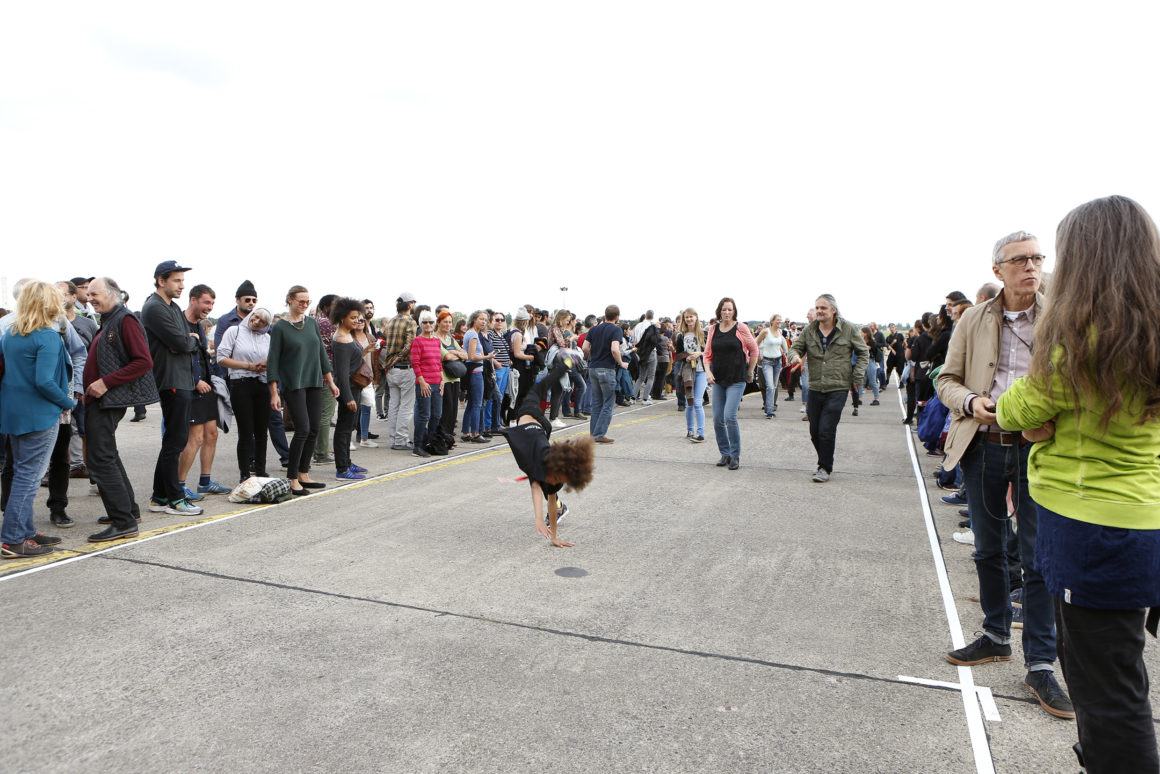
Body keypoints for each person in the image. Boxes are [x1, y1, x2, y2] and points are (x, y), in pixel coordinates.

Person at [996, 196, 1160, 769]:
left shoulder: (1080, 343)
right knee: (1121, 669)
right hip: (1146, 516)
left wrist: (1042, 423)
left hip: (1092, 528)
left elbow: (1015, 409)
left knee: (1106, 690)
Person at [936, 230, 1073, 720]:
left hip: (1040, 448)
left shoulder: (1061, 314)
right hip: (984, 444)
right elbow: (945, 380)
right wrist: (971, 401)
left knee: (1038, 558)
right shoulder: (974, 318)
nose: (1030, 267)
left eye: (1036, 258)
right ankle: (996, 634)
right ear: (998, 270)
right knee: (988, 548)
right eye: (1019, 260)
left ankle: (1041, 664)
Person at [79, 278, 159, 540]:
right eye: (88, 293)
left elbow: (143, 361)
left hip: (108, 400)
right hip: (100, 400)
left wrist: (105, 382)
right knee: (107, 456)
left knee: (99, 459)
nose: (89, 298)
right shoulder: (109, 320)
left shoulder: (125, 320)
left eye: (94, 293)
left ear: (113, 293)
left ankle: (123, 522)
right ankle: (128, 511)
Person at [0, 281, 74, 557]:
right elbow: (44, 381)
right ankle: (12, 539)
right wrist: (68, 402)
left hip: (14, 413)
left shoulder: (10, 335)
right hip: (40, 414)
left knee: (22, 473)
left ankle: (25, 531)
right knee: (29, 479)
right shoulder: (47, 336)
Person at [501, 358, 595, 548]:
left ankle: (566, 363)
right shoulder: (540, 460)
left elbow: (551, 500)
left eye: (560, 480)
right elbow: (536, 488)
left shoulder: (557, 473)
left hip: (542, 429)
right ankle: (565, 363)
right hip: (528, 412)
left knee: (548, 487)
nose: (555, 482)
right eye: (557, 478)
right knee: (543, 384)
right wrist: (538, 519)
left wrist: (554, 538)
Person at [140, 260, 204, 517]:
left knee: (174, 440)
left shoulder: (173, 307)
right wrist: (189, 341)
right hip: (171, 381)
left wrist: (188, 341)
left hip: (182, 379)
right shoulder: (154, 307)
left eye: (182, 280)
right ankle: (176, 499)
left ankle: (159, 497)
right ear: (161, 281)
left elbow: (185, 340)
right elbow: (182, 341)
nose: (181, 285)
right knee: (175, 442)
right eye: (177, 280)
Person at [267, 285, 341, 496]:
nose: (305, 305)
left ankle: (303, 473)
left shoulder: (311, 323)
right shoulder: (280, 327)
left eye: (308, 301)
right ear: (289, 299)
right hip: (294, 384)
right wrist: (274, 392)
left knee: (314, 428)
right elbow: (273, 361)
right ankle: (292, 478)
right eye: (301, 301)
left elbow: (321, 354)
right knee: (303, 429)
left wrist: (331, 381)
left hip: (314, 382)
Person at [788, 294, 868, 482]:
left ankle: (824, 467)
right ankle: (825, 460)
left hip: (838, 387)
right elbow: (795, 348)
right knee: (814, 432)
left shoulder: (848, 329)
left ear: (833, 310)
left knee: (826, 429)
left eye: (823, 308)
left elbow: (863, 352)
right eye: (817, 308)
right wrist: (794, 356)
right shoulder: (809, 330)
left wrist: (857, 376)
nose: (819, 311)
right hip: (815, 386)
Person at [176, 284, 229, 500]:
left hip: (206, 386)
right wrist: (195, 380)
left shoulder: (198, 325)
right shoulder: (178, 322)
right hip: (190, 388)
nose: (210, 307)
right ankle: (179, 486)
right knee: (195, 438)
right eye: (207, 302)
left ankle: (205, 482)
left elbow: (201, 355)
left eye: (212, 303)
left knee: (212, 434)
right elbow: (177, 358)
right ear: (193, 300)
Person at [216, 307, 273, 482]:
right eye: (256, 316)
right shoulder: (234, 331)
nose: (256, 322)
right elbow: (221, 358)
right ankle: (245, 473)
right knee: (246, 431)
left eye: (262, 321)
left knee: (262, 431)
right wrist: (248, 366)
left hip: (262, 383)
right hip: (241, 383)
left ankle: (261, 470)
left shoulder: (267, 338)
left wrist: (266, 363)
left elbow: (275, 359)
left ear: (266, 325)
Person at [704, 298, 759, 470]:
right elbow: (707, 354)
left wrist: (750, 371)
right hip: (718, 379)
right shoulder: (713, 329)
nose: (727, 312)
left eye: (730, 309)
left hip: (737, 378)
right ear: (719, 311)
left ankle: (735, 455)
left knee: (729, 416)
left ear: (734, 311)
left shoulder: (741, 328)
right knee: (717, 419)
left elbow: (754, 350)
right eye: (724, 309)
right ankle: (725, 453)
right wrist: (708, 372)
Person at [328, 297, 370, 479]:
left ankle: (346, 461)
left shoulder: (347, 335)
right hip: (348, 388)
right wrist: (348, 398)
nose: (356, 320)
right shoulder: (341, 339)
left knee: (348, 427)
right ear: (342, 317)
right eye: (352, 317)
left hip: (354, 387)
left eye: (358, 317)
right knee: (344, 428)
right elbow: (342, 373)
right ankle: (342, 468)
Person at [582, 305, 627, 445]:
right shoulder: (616, 329)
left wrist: (594, 354)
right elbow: (615, 349)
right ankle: (599, 434)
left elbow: (584, 347)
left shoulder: (594, 329)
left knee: (597, 403)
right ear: (617, 317)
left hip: (593, 367)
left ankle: (593, 434)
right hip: (607, 368)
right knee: (608, 403)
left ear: (605, 315)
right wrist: (621, 363)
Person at [380, 292, 418, 450]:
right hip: (404, 367)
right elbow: (410, 344)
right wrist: (399, 357)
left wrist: (392, 360)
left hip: (391, 369)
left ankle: (394, 439)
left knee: (394, 405)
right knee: (406, 407)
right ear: (409, 305)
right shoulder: (410, 321)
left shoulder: (391, 321)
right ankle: (401, 440)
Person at [410, 309, 444, 458]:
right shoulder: (417, 341)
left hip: (437, 382)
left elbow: (439, 362)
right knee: (424, 416)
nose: (428, 325)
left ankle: (429, 443)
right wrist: (422, 381)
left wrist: (442, 380)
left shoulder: (436, 341)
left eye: (431, 322)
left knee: (436, 415)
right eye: (425, 322)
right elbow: (415, 363)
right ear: (420, 324)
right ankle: (418, 446)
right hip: (425, 383)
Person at [673, 308, 707, 442]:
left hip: (702, 371)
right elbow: (678, 355)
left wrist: (700, 353)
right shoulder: (681, 335)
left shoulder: (704, 334)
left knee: (697, 402)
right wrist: (686, 356)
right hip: (688, 371)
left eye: (691, 316)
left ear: (696, 317)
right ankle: (690, 429)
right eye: (686, 317)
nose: (689, 319)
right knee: (690, 403)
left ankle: (700, 433)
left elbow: (710, 352)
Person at [460, 310, 494, 443]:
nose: (484, 322)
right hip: (475, 372)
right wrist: (488, 356)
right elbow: (472, 356)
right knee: (477, 404)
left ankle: (465, 432)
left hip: (472, 371)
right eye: (481, 319)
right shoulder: (473, 334)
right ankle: (475, 433)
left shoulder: (471, 333)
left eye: (485, 319)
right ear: (474, 319)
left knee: (471, 404)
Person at [312, 295, 339, 461]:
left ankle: (316, 450)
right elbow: (336, 347)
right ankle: (321, 453)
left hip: (315, 374)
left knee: (316, 415)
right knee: (325, 415)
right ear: (326, 307)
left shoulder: (314, 321)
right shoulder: (328, 324)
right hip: (326, 375)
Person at [756, 314, 788, 418]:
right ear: (772, 321)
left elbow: (780, 346)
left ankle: (769, 407)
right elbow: (755, 344)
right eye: (778, 320)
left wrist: (784, 354)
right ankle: (769, 411)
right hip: (767, 362)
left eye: (780, 320)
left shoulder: (780, 332)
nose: (780, 322)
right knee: (769, 386)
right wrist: (758, 357)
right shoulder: (765, 331)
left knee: (774, 386)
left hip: (778, 362)